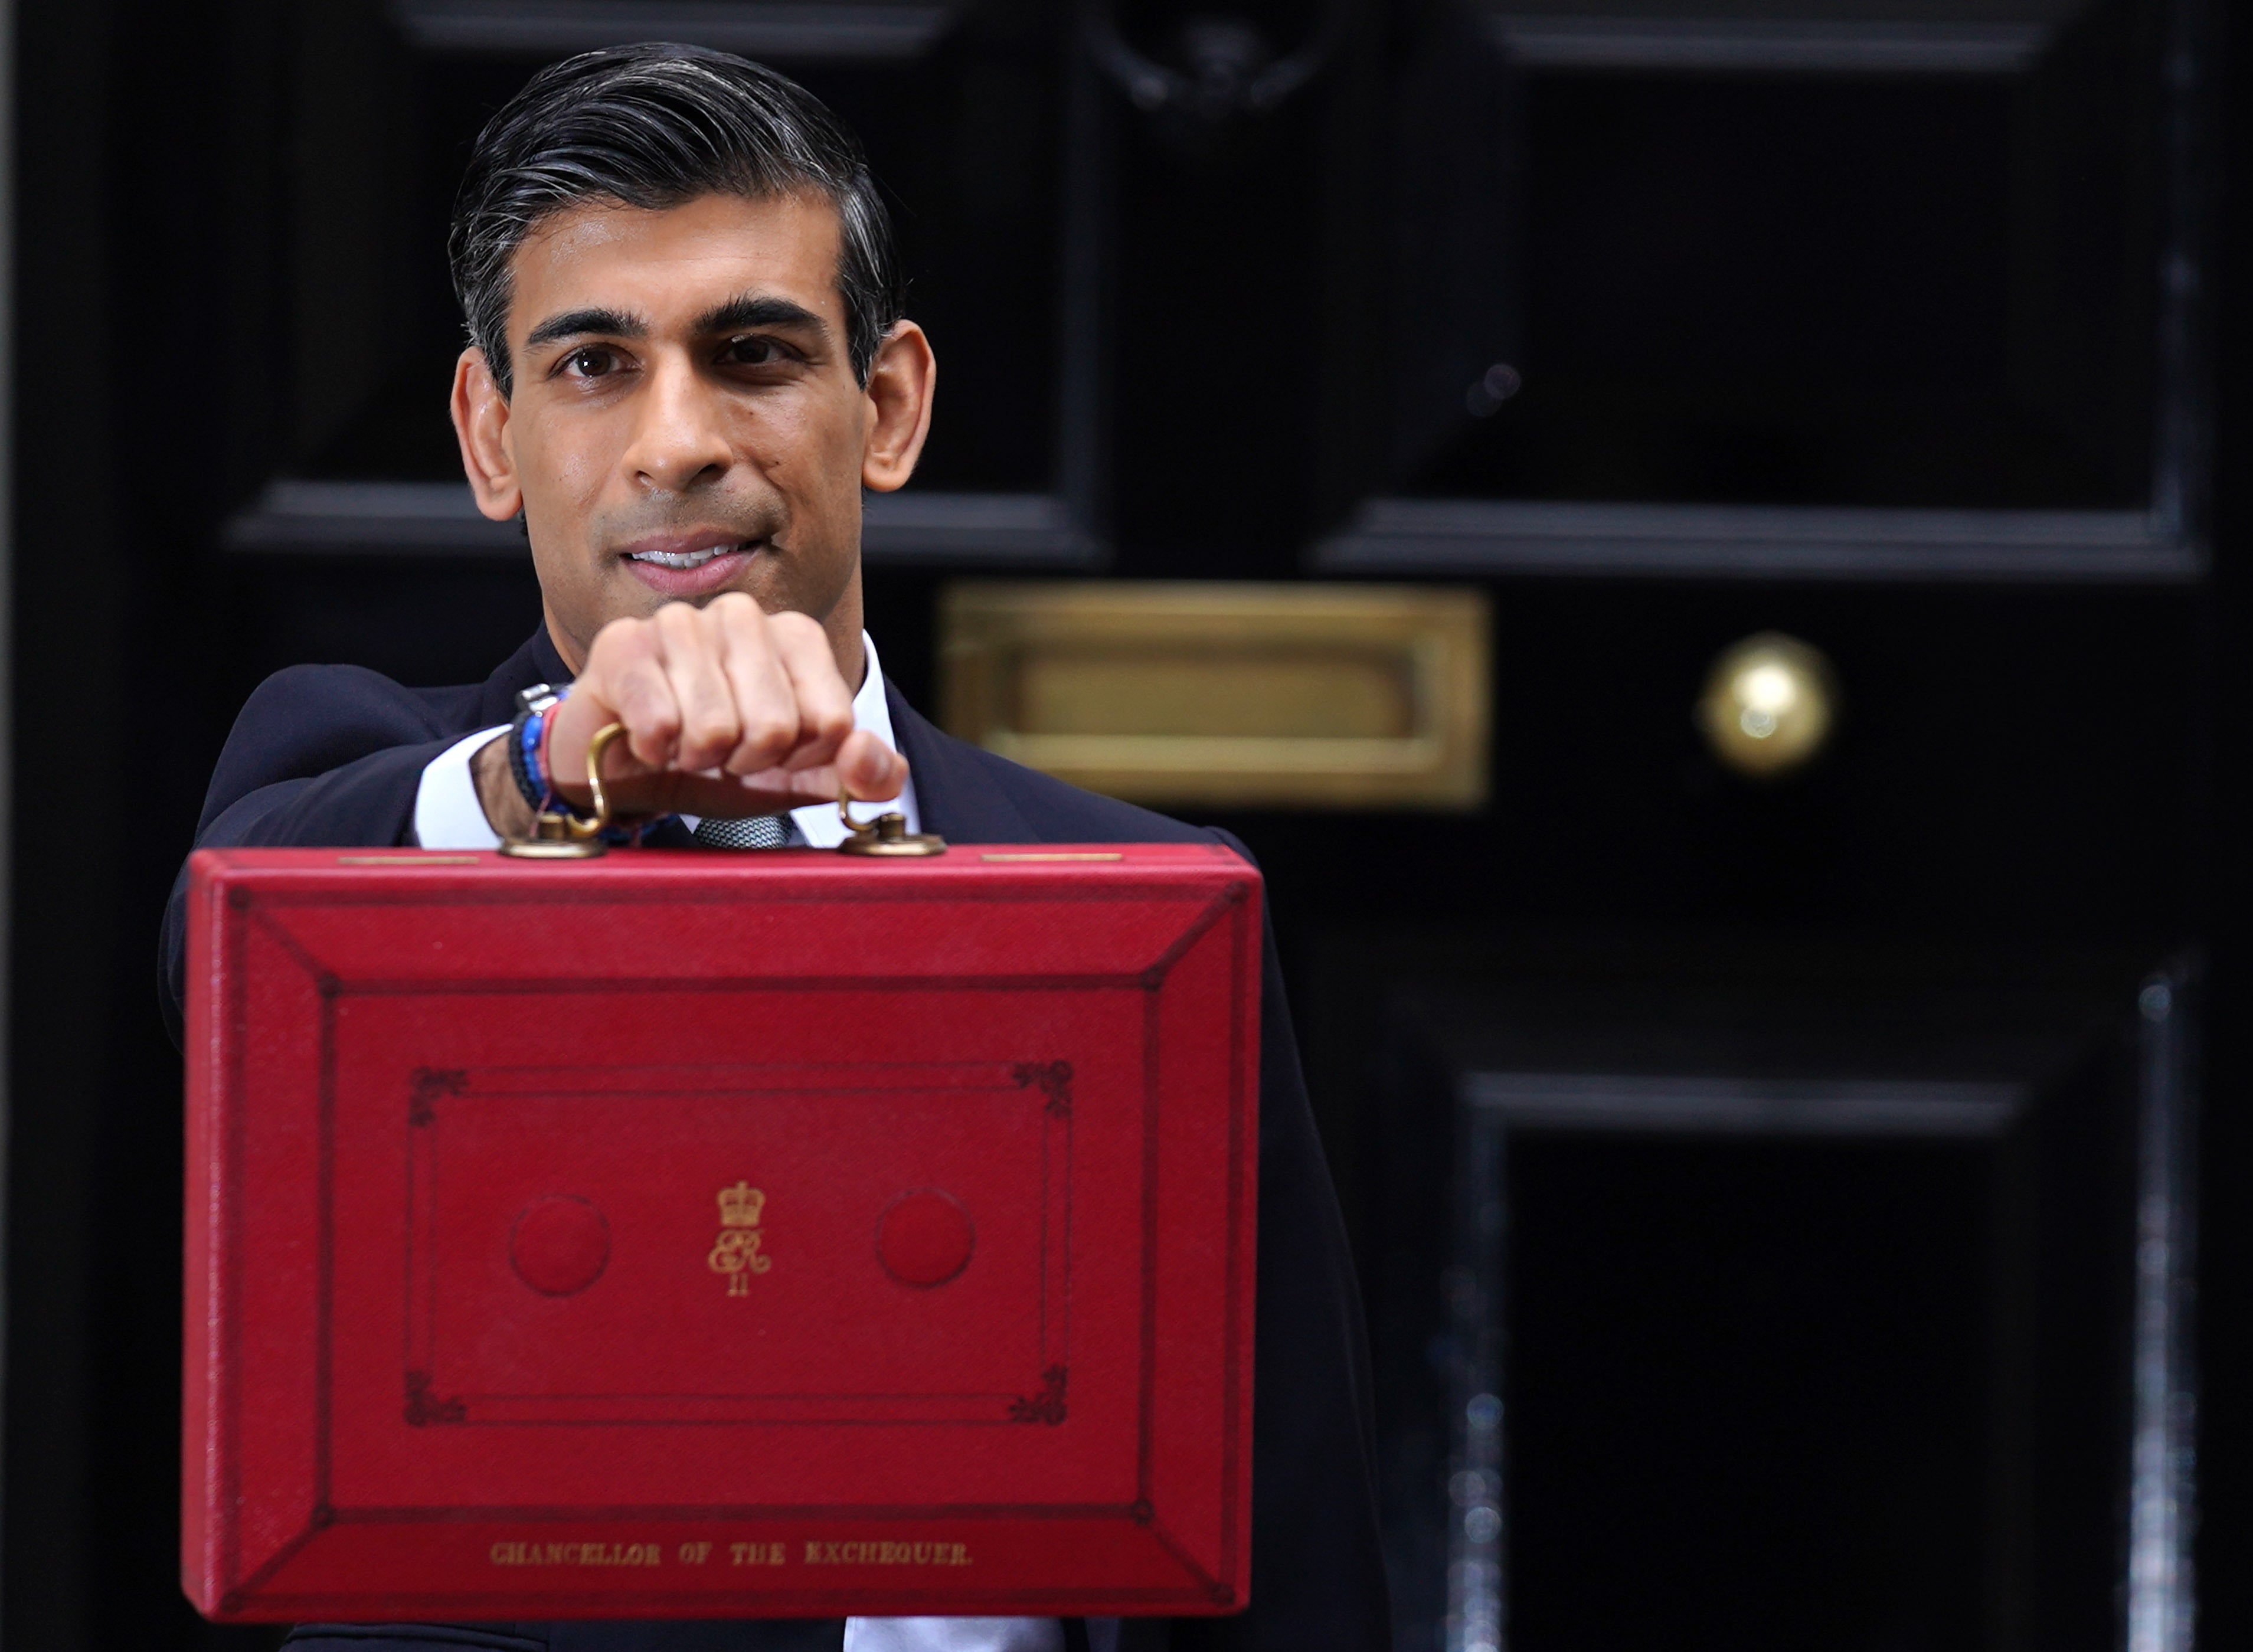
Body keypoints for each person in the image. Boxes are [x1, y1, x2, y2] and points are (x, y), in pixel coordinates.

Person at [159, 43, 1389, 1652]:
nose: (676, 439)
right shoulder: (360, 778)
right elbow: (241, 935)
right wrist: (562, 770)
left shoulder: (1142, 905)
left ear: (886, 408)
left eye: (751, 353)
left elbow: (1289, 1547)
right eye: (595, 365)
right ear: (487, 435)